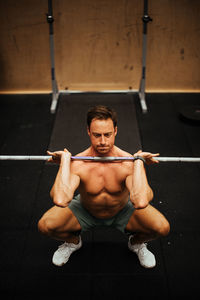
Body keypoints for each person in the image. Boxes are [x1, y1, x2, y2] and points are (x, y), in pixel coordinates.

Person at [38, 105, 170, 268]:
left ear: (115, 131)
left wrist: (138, 162)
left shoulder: (127, 162)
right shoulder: (79, 163)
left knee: (162, 227)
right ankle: (73, 242)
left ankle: (136, 243)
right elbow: (61, 199)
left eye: (107, 135)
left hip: (122, 211)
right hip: (85, 210)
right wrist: (65, 161)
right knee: (45, 225)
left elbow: (141, 201)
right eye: (96, 135)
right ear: (88, 132)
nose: (102, 141)